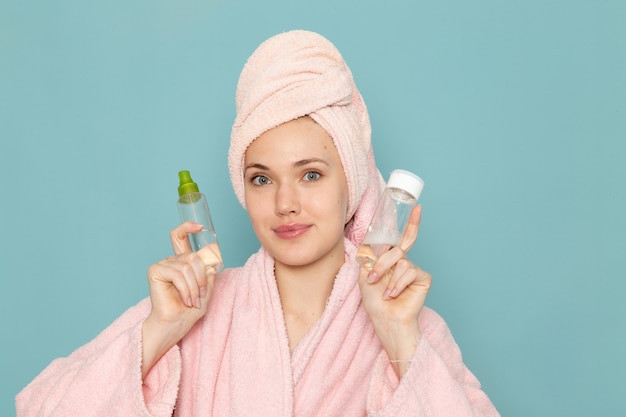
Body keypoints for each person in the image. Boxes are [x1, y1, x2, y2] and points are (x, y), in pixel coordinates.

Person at [16, 30, 499, 416]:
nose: (285, 203)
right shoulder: (190, 310)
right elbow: (39, 408)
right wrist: (158, 331)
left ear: (350, 183)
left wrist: (399, 340)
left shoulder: (411, 326)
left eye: (310, 174)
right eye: (262, 179)